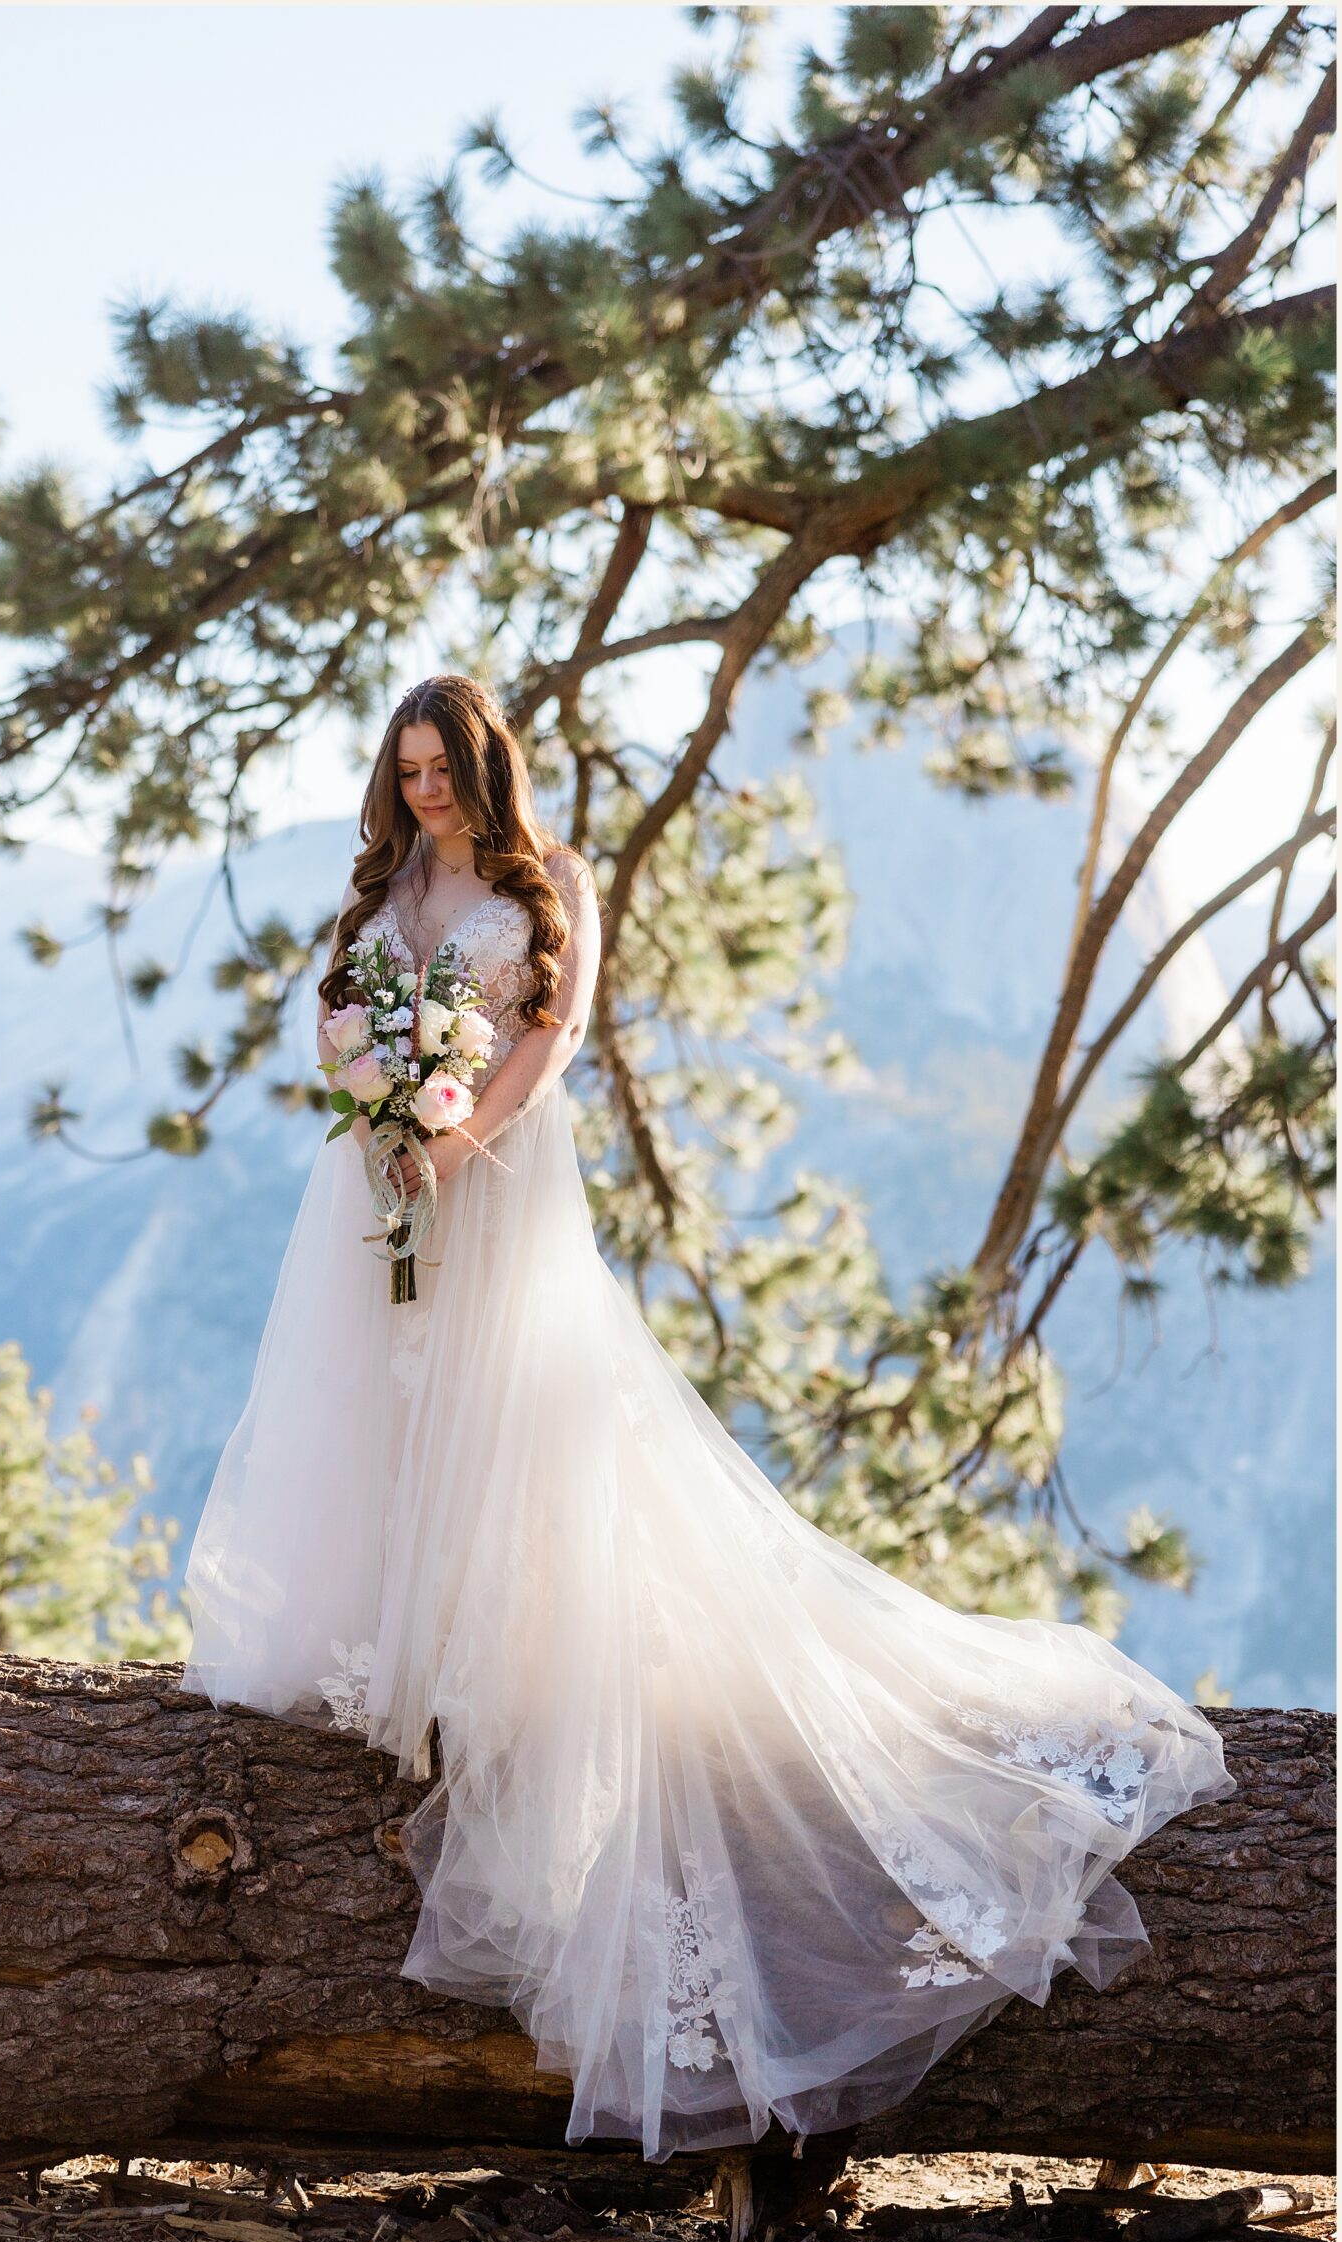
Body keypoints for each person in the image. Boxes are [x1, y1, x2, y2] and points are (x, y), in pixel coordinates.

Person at [180, 671, 1233, 2164]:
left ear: (484, 768)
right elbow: (336, 1024)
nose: (418, 791)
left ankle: (511, 1648)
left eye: (438, 768)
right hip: (376, 1187)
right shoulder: (380, 889)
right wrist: (375, 1109)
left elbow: (553, 1029)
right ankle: (391, 1642)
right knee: (378, 1406)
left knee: (511, 1416)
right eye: (401, 769)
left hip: (498, 1186)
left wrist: (457, 1131)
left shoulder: (553, 885)